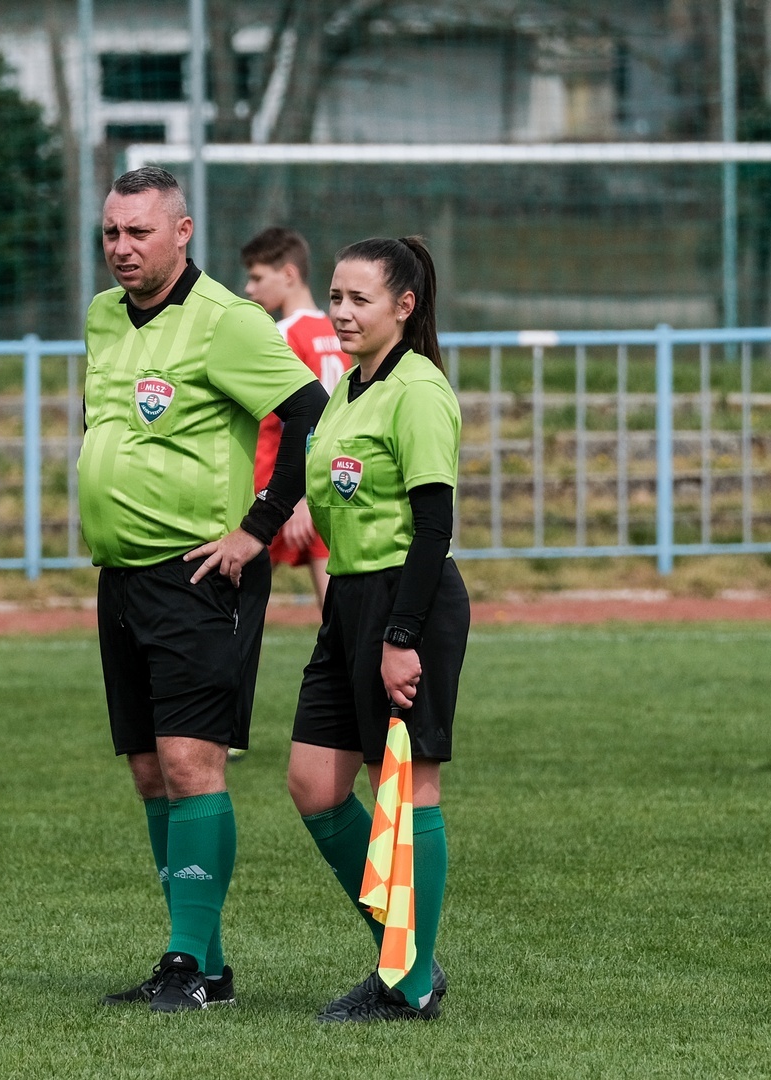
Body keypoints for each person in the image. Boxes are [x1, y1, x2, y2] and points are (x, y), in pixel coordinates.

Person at [83, 167, 328, 1013]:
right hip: (122, 574)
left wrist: (260, 526)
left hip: (200, 573)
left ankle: (187, 962)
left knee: (193, 763)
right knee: (150, 770)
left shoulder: (228, 320)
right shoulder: (103, 316)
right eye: (112, 232)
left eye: (139, 232)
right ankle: (206, 969)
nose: (122, 248)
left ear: (182, 233)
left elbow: (311, 411)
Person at [287, 236, 467, 1023]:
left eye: (360, 299)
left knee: (406, 787)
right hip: (350, 600)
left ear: (405, 305)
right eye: (335, 296)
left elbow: (433, 528)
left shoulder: (418, 389)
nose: (342, 312)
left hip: (407, 601)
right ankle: (410, 956)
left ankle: (408, 980)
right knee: (314, 784)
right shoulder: (350, 388)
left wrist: (400, 637)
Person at [241, 226, 348, 609]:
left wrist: (295, 496)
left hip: (275, 486)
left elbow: (302, 418)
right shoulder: (336, 333)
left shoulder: (281, 336)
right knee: (336, 611)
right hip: (326, 482)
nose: (249, 289)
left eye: (257, 278)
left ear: (288, 274)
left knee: (232, 607)